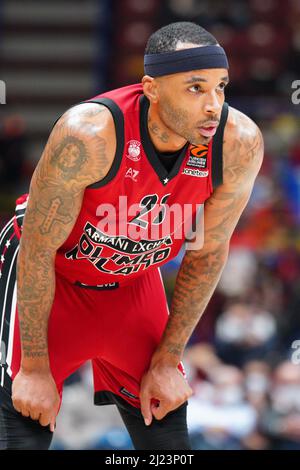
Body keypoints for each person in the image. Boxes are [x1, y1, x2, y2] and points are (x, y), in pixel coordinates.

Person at [0, 21, 263, 450]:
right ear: (151, 89)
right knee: (23, 431)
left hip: (134, 283)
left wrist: (168, 358)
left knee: (169, 444)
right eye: (196, 88)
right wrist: (33, 367)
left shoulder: (238, 143)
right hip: (52, 282)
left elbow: (209, 251)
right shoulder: (88, 134)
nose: (214, 104)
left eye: (221, 87)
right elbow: (37, 247)